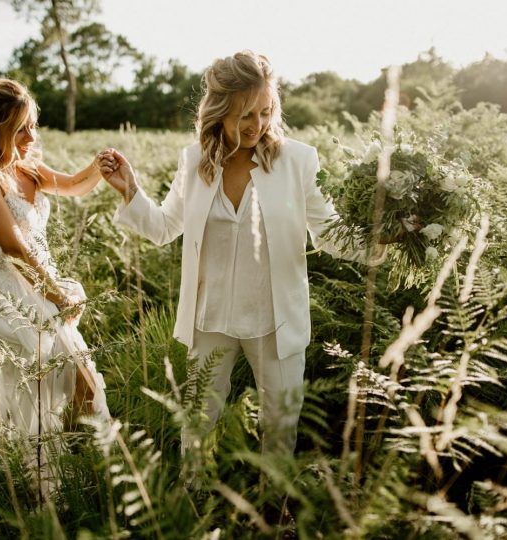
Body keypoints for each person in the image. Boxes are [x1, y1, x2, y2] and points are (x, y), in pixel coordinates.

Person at [99, 51, 386, 463]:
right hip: (210, 316)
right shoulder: (195, 160)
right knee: (198, 422)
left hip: (275, 318)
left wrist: (385, 241)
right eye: (244, 115)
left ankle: (276, 511)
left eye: (266, 111)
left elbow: (331, 234)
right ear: (218, 112)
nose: (257, 125)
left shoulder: (297, 161)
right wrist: (129, 190)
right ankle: (195, 505)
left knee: (280, 424)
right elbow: (165, 227)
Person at [0, 78, 109, 494]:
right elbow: (13, 247)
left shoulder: (26, 168)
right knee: (36, 396)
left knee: (85, 386)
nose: (31, 136)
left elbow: (74, 186)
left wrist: (100, 165)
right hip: (14, 299)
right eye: (22, 127)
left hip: (45, 292)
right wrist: (56, 293)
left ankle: (80, 473)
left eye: (33, 125)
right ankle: (45, 488)